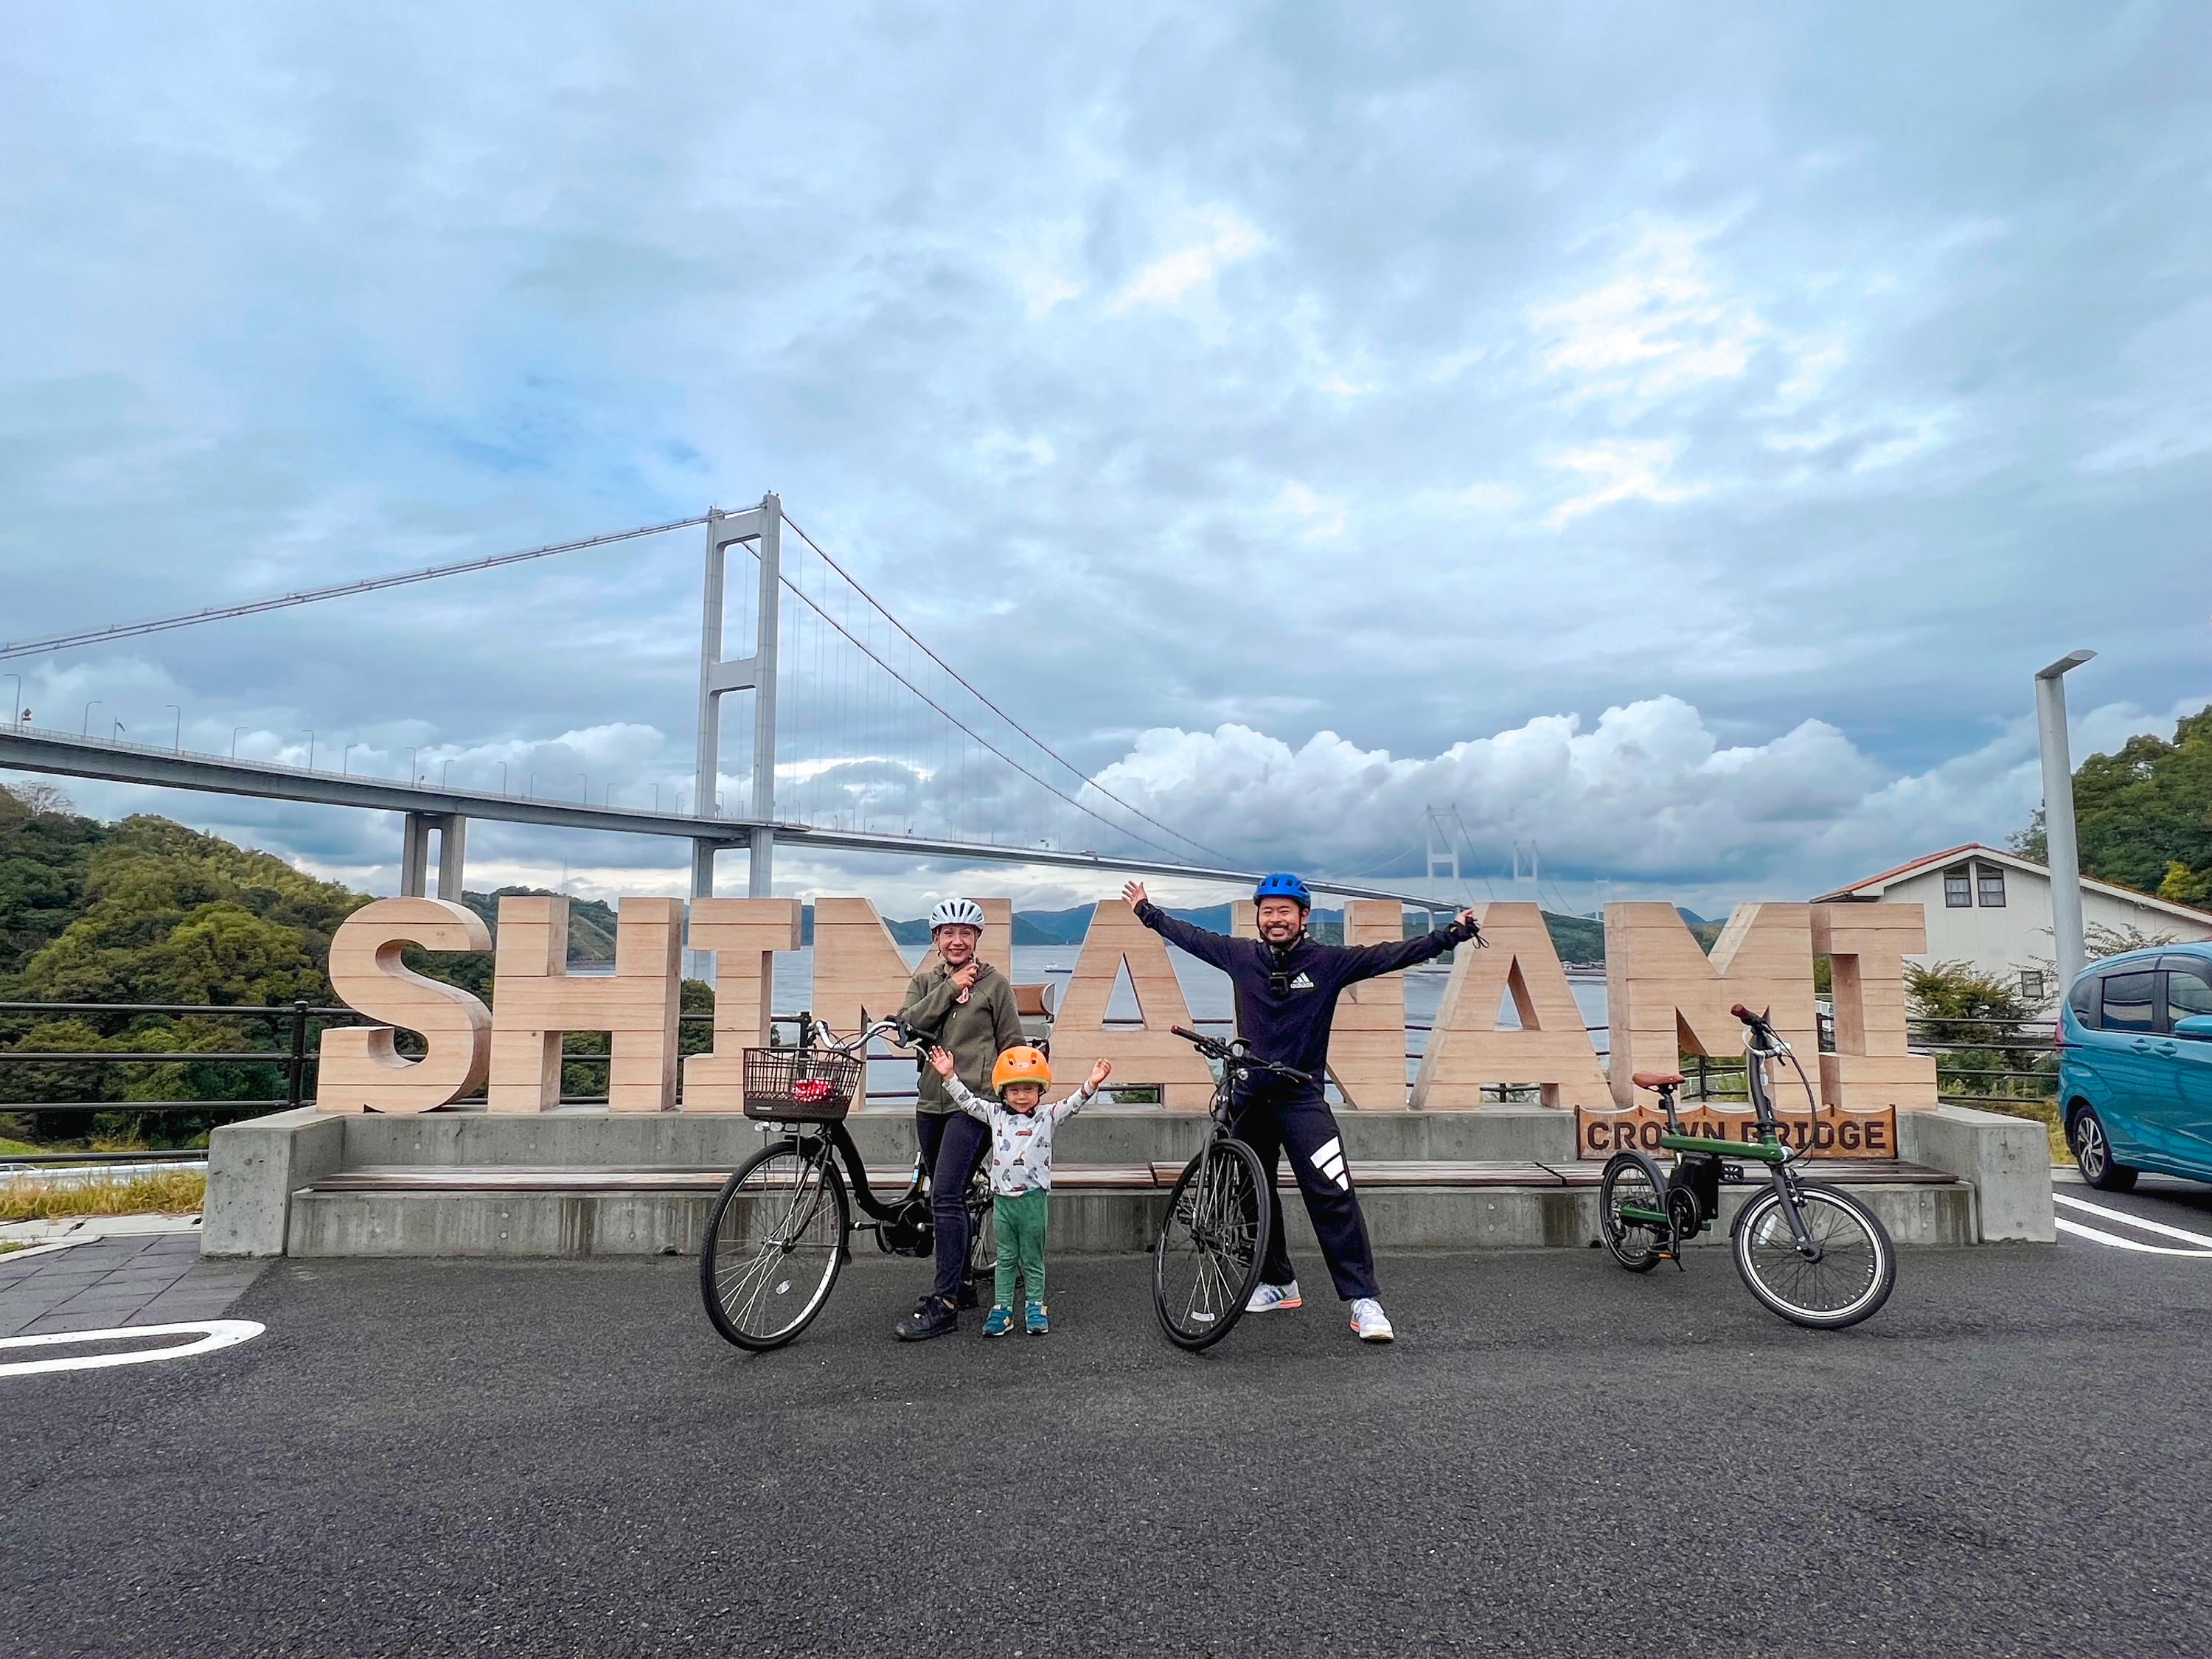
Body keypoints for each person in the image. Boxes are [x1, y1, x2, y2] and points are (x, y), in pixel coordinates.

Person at [1121, 874, 1482, 1343]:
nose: (1276, 919)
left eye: (1285, 911)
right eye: (1268, 911)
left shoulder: (1327, 963)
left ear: (1303, 917)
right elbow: (1190, 937)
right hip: (1249, 1096)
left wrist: (1450, 934)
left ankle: (1363, 1299)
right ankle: (1277, 1283)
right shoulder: (1239, 956)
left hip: (1302, 1098)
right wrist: (1147, 912)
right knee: (1252, 1192)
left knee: (1332, 1192)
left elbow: (1387, 956)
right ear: (1258, 916)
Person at [892, 897, 1026, 1342]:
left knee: (946, 1193)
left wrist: (1013, 1107)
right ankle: (965, 1282)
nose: (956, 939)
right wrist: (950, 988)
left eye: (965, 932)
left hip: (976, 1105)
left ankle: (945, 1302)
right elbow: (906, 1027)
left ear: (976, 940)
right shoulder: (925, 982)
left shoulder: (995, 985)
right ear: (935, 940)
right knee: (945, 1194)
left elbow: (1013, 1047)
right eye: (947, 932)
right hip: (931, 1102)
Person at [926, 1043, 1112, 1336]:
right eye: (1014, 1090)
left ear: (1040, 1090)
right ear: (1002, 1093)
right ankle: (1002, 1309)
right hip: (1003, 1202)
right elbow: (969, 1103)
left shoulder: (1048, 1116)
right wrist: (949, 1075)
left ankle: (1035, 1306)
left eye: (1029, 1089)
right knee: (1006, 1258)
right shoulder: (995, 1115)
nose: (1022, 1096)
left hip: (1033, 1201)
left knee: (1032, 1258)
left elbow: (1074, 1102)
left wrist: (1093, 1082)